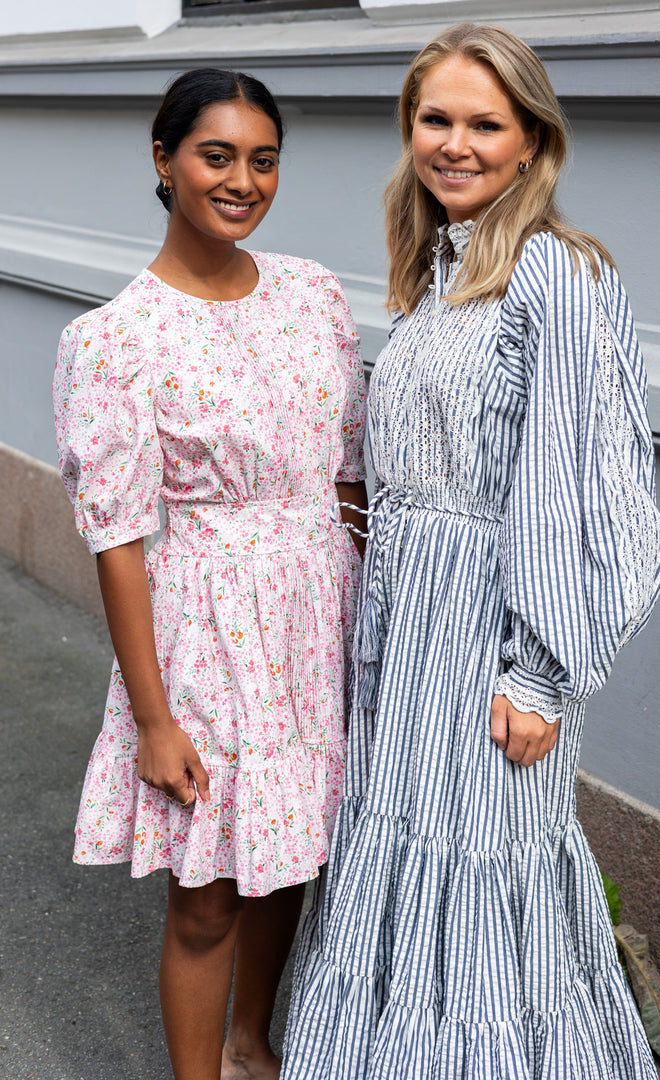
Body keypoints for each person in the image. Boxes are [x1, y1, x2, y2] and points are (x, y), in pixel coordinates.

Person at [281, 23, 660, 1080]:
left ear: (533, 142)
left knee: (490, 870)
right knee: (403, 858)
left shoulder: (561, 279)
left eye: (484, 123)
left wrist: (543, 674)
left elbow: (592, 496)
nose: (455, 143)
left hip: (492, 640)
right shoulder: (437, 275)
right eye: (435, 119)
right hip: (405, 636)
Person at [53, 68, 367, 1080]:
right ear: (164, 160)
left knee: (289, 863)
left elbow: (351, 474)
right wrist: (153, 719)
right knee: (208, 895)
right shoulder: (115, 341)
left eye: (263, 159)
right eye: (216, 154)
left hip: (319, 620)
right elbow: (118, 539)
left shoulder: (315, 294)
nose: (242, 180)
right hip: (209, 635)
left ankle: (251, 1047)